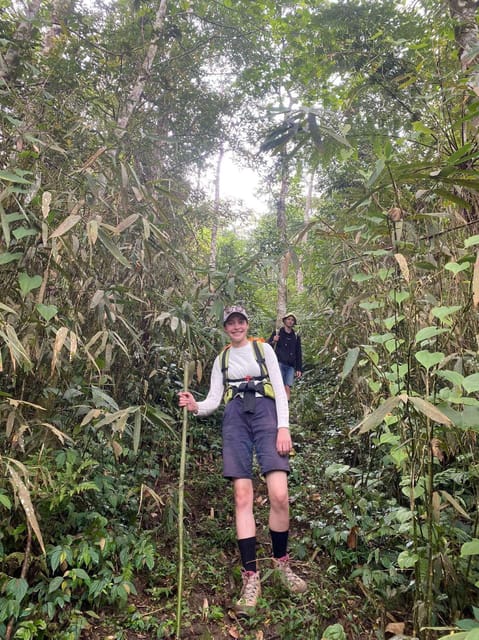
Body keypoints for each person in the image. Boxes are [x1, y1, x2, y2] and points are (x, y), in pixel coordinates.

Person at [178, 305, 307, 616]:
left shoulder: (263, 349)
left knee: (279, 494)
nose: (236, 327)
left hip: (266, 415)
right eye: (230, 323)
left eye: (240, 322)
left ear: (247, 324)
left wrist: (283, 426)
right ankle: (251, 576)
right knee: (242, 496)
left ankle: (281, 564)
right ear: (225, 328)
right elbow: (213, 399)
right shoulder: (221, 359)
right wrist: (196, 405)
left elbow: (278, 387)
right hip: (235, 418)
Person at [268, 313, 303, 401]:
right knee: (278, 385)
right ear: (284, 321)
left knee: (287, 386)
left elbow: (298, 352)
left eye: (292, 320)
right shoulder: (278, 333)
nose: (290, 321)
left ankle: (286, 406)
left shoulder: (295, 336)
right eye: (288, 319)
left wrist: (299, 369)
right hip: (279, 363)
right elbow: (268, 347)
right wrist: (273, 341)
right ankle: (277, 404)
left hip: (290, 365)